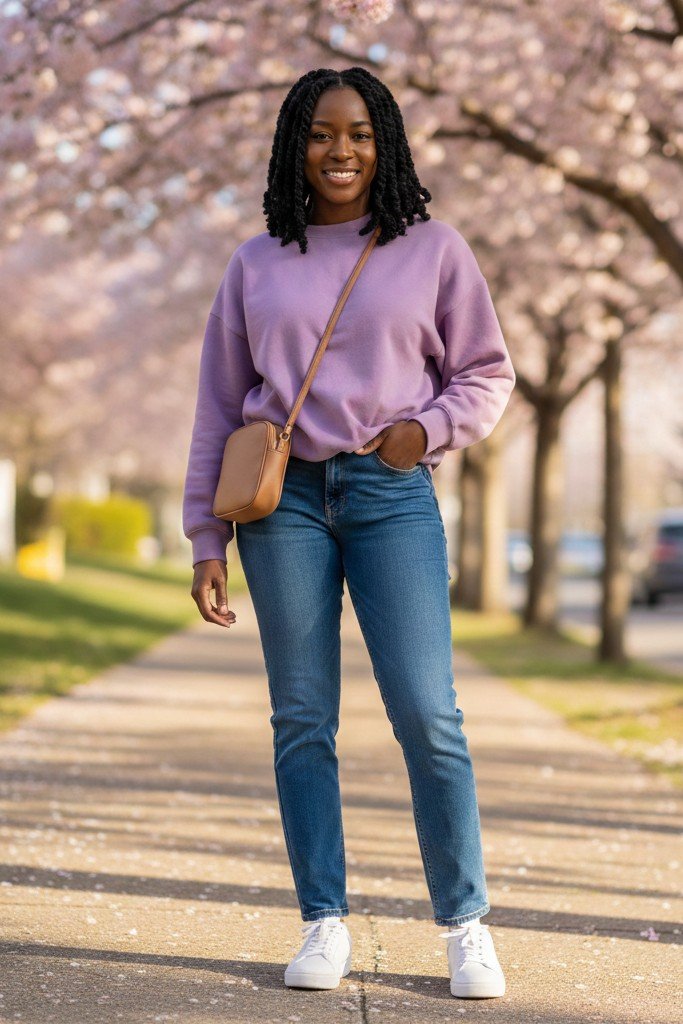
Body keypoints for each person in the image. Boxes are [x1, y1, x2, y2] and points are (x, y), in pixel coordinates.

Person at [182, 66, 515, 1000]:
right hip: (280, 503)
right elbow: (218, 411)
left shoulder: (433, 249)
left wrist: (426, 431)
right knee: (302, 719)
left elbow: (486, 372)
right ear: (296, 145)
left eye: (360, 134)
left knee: (427, 712)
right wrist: (205, 539)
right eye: (322, 133)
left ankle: (465, 926)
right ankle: (321, 919)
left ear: (385, 146)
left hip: (390, 492)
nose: (341, 151)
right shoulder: (254, 264)